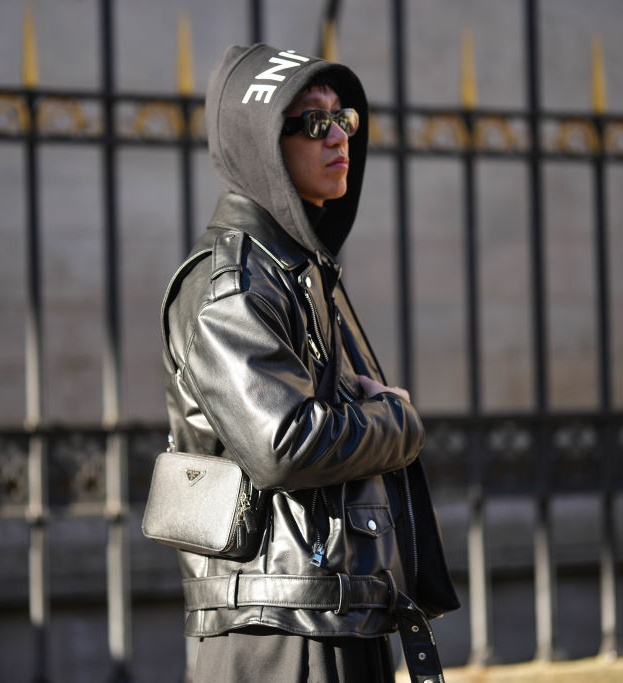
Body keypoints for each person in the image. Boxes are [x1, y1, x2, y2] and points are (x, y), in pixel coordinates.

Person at [160, 43, 460, 682]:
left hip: (333, 608)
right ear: (263, 142)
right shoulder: (231, 284)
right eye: (313, 122)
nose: (338, 137)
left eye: (343, 118)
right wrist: (398, 421)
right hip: (278, 634)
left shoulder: (298, 272)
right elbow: (285, 443)